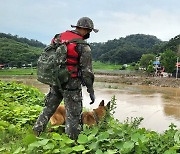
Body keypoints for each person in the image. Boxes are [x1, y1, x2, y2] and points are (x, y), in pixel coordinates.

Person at [33, 17, 98, 140]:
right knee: (73, 115)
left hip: (56, 81)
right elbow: (87, 72)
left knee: (49, 108)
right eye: (89, 31)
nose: (89, 34)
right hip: (71, 83)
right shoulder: (83, 47)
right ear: (86, 29)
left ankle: (36, 131)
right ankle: (72, 142)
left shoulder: (58, 37)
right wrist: (91, 90)